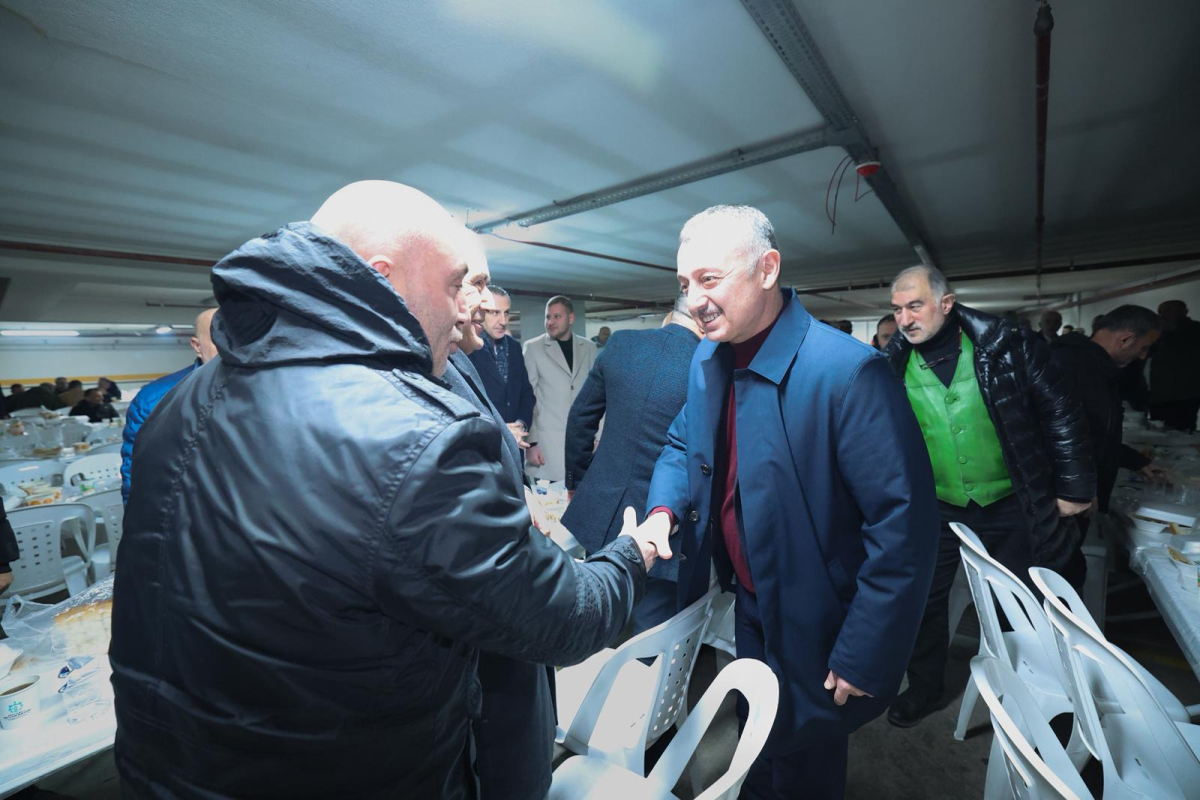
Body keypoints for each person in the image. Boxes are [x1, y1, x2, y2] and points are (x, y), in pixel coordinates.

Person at [109, 181, 668, 800]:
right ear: (381, 278)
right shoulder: (412, 436)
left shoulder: (182, 401)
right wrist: (631, 554)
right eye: (454, 286)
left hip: (175, 768)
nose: (465, 310)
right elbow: (562, 619)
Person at [643, 205, 939, 799]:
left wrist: (865, 650)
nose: (694, 300)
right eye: (684, 283)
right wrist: (662, 511)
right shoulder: (709, 358)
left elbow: (903, 527)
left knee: (806, 752)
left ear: (767, 269)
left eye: (709, 279)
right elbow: (682, 442)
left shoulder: (848, 373)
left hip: (821, 612)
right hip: (752, 598)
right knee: (758, 730)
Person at [883, 265, 1094, 728]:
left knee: (1021, 602)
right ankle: (923, 687)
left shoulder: (1008, 345)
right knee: (921, 600)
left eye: (915, 306)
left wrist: (1075, 487)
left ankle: (1040, 697)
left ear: (946, 303)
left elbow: (1061, 411)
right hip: (935, 505)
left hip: (1010, 500)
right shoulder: (892, 362)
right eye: (897, 310)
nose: (904, 319)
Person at [564, 290, 703, 635]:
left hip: (602, 513)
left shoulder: (621, 344)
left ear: (671, 313)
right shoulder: (709, 366)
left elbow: (581, 420)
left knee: (595, 616)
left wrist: (577, 482)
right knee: (650, 637)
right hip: (668, 526)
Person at [1051, 306, 1167, 518]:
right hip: (1067, 500)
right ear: (1125, 339)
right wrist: (1077, 488)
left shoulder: (1099, 368)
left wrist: (1136, 461)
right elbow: (1050, 436)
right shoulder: (1068, 366)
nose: (1143, 356)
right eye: (1144, 347)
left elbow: (1096, 432)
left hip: (1080, 494)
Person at [120, 309, 218, 503]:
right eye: (218, 337)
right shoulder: (155, 399)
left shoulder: (268, 388)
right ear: (197, 346)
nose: (232, 346)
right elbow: (139, 477)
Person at [522, 296, 597, 481]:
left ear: (571, 318)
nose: (550, 322)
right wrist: (531, 443)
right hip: (547, 447)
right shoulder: (533, 348)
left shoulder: (589, 347)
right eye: (548, 317)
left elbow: (598, 395)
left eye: (557, 316)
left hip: (583, 444)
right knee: (549, 498)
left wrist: (598, 436)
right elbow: (527, 398)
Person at [466, 285, 536, 450]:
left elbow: (526, 394)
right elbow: (467, 403)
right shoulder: (467, 347)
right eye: (495, 313)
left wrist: (520, 426)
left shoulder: (514, 347)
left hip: (516, 446)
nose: (503, 321)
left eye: (506, 313)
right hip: (482, 446)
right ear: (481, 312)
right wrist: (502, 430)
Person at [1149, 300, 1200, 432]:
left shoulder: (1195, 329)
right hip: (1159, 392)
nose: (1163, 315)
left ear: (1184, 312)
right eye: (1160, 312)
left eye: (1168, 310)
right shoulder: (1159, 332)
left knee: (1182, 432)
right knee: (1157, 431)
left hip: (1185, 393)